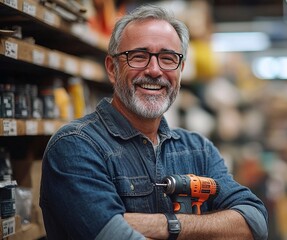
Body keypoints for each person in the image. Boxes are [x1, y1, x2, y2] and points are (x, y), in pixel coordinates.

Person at [40, 4, 268, 240]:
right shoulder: (76, 146)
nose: (154, 70)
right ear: (112, 68)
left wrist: (165, 224)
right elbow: (112, 234)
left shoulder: (199, 149)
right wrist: (208, 227)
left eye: (168, 58)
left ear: (180, 69)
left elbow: (254, 222)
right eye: (138, 56)